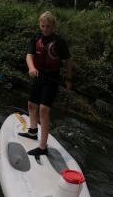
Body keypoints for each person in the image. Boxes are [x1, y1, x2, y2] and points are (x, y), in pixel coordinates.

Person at [20, 11, 73, 157]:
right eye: (42, 26)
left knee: (44, 110)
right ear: (39, 25)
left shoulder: (59, 42)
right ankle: (32, 132)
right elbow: (29, 55)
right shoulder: (36, 37)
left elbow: (68, 61)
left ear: (53, 26)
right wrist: (31, 67)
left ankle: (43, 147)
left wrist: (68, 79)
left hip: (52, 79)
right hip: (38, 76)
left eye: (48, 26)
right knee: (31, 104)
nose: (45, 29)